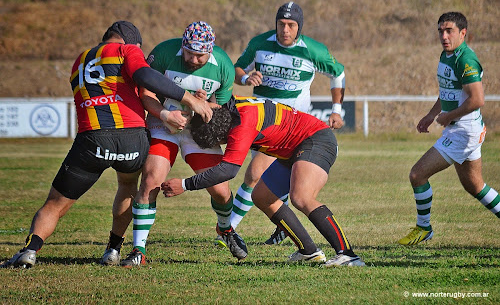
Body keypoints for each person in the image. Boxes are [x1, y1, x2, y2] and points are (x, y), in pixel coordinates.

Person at [0, 20, 212, 269]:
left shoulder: (79, 60)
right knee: (127, 186)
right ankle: (113, 249)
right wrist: (188, 99)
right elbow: (144, 76)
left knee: (55, 203)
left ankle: (30, 251)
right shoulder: (127, 51)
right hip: (131, 137)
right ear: (132, 43)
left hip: (91, 140)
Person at [162, 96, 365, 267]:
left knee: (302, 197)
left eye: (219, 143)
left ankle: (348, 255)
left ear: (221, 137)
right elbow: (212, 104)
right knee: (262, 196)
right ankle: (308, 251)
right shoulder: (230, 107)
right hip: (292, 148)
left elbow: (228, 171)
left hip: (315, 139)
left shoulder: (241, 128)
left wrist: (185, 184)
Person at [110, 21, 247, 267]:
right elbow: (146, 94)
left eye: (200, 55)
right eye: (189, 53)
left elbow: (221, 110)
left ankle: (226, 230)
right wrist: (165, 114)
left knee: (221, 190)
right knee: (151, 180)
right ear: (182, 46)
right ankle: (138, 249)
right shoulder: (163, 53)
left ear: (211, 51)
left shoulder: (224, 65)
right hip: (163, 124)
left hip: (196, 131)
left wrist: (204, 106)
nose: (193, 60)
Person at [229, 1, 347, 245]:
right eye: (281, 24)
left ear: (299, 27)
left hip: (289, 127)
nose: (285, 29)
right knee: (264, 182)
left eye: (291, 25)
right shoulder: (260, 44)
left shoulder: (313, 50)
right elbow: (236, 69)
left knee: (254, 175)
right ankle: (283, 228)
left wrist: (337, 109)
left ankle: (227, 230)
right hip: (257, 120)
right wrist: (245, 77)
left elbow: (338, 73)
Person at [398, 12, 499, 246]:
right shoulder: (447, 55)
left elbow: (478, 99)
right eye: (441, 31)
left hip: (464, 132)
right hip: (463, 129)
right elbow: (447, 91)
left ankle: (424, 228)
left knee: (417, 174)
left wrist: (448, 117)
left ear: (463, 33)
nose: (444, 36)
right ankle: (424, 229)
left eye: (449, 31)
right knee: (475, 186)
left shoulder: (466, 59)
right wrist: (432, 115)